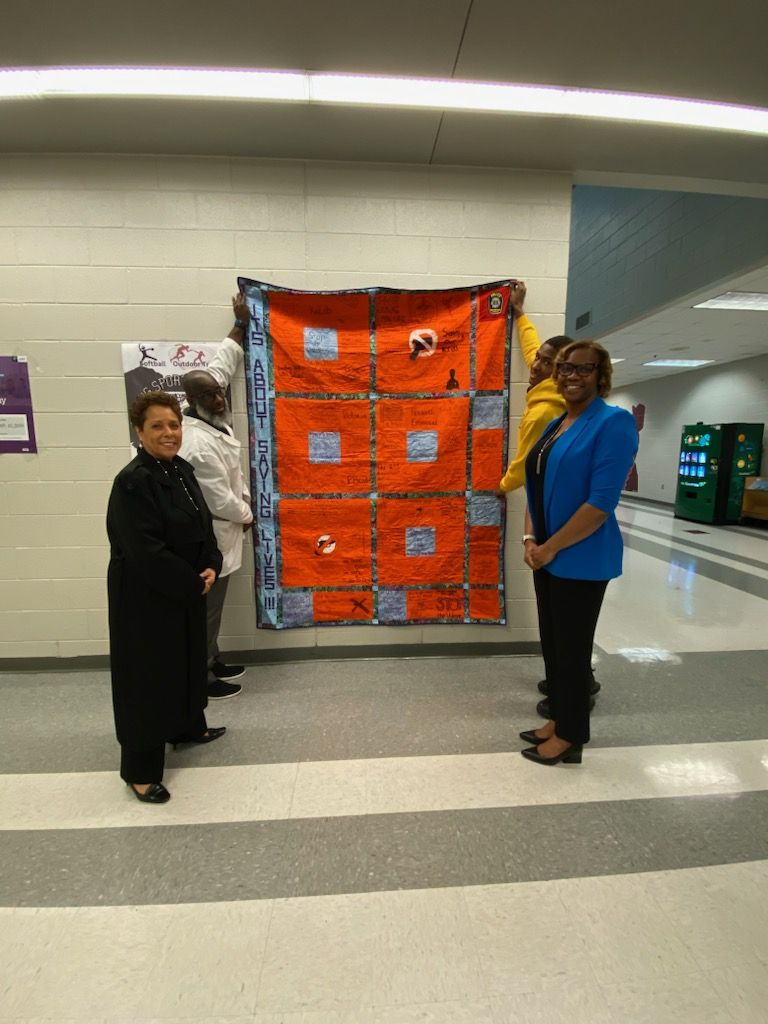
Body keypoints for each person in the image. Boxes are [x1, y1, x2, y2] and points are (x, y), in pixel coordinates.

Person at [519, 341, 638, 766]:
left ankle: (571, 736)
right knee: (554, 647)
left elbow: (600, 503)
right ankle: (558, 718)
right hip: (546, 554)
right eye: (566, 368)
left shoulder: (613, 423)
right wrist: (530, 540)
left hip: (580, 557)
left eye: (584, 369)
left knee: (572, 650)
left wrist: (550, 547)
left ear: (601, 375)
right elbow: (535, 485)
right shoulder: (558, 423)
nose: (572, 376)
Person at [107, 392, 226, 803]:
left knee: (186, 662)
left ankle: (186, 727)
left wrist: (211, 564)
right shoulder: (133, 482)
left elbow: (203, 526)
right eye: (157, 426)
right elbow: (146, 551)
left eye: (174, 425)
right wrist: (194, 583)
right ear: (139, 431)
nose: (168, 433)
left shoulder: (181, 470)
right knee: (148, 679)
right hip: (146, 599)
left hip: (185, 590)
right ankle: (139, 771)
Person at [496, 281, 601, 711]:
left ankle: (576, 688)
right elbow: (532, 348)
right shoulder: (548, 386)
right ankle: (570, 683)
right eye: (542, 360)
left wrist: (498, 487)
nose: (536, 365)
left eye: (547, 363)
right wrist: (521, 315)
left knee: (568, 619)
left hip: (566, 525)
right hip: (550, 520)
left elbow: (525, 465)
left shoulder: (545, 411)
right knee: (561, 616)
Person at [179, 293, 254, 700]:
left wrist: (239, 324)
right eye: (211, 396)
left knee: (215, 608)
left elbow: (224, 360)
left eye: (220, 392)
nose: (220, 398)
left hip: (225, 531)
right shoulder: (196, 444)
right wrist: (249, 515)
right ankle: (202, 677)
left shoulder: (208, 402)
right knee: (207, 610)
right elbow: (220, 501)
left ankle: (212, 658)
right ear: (193, 401)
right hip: (213, 537)